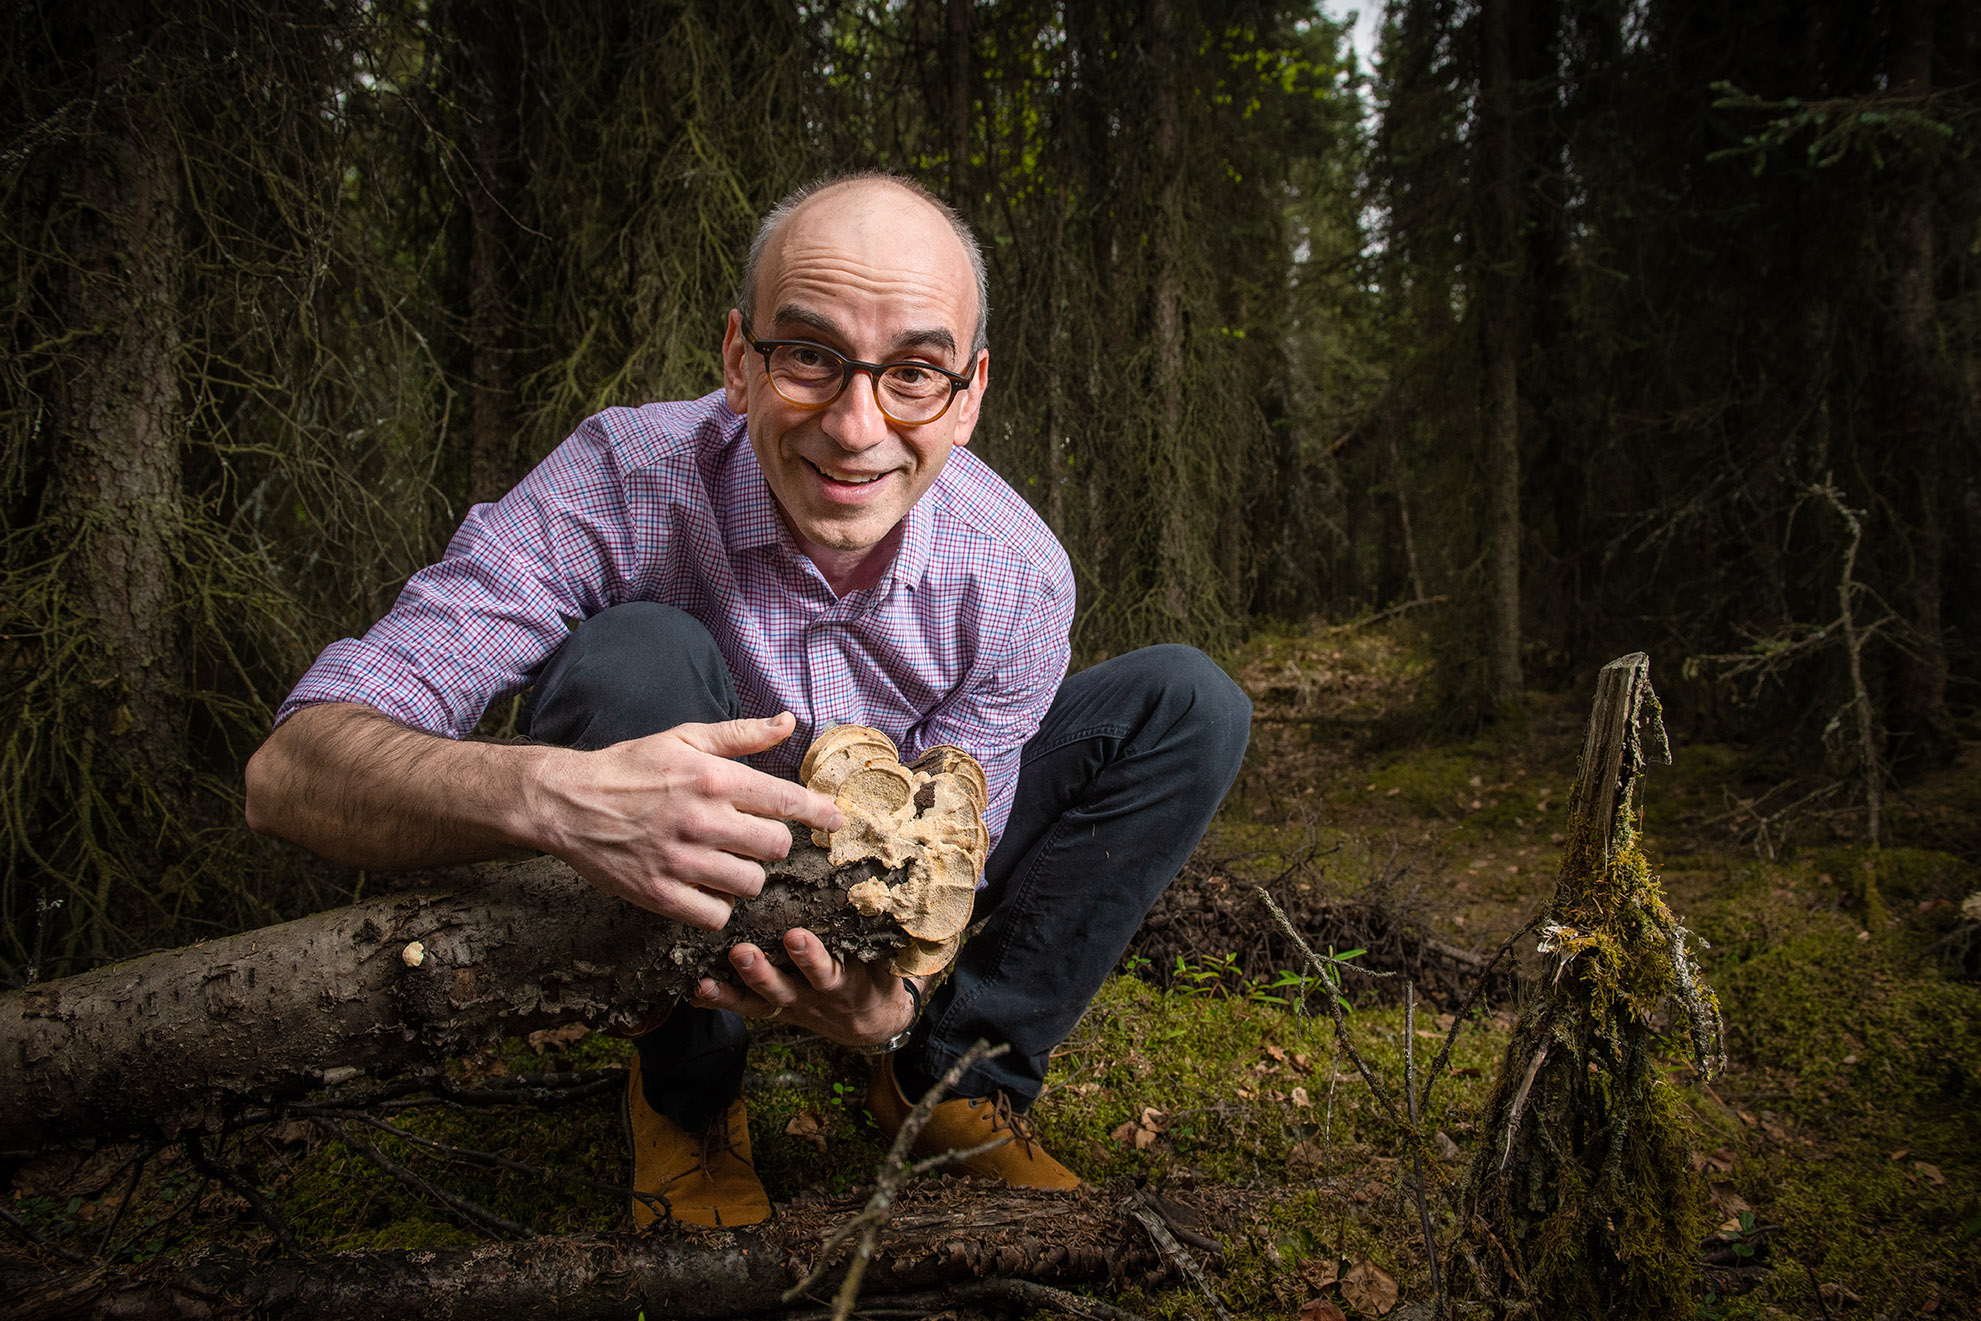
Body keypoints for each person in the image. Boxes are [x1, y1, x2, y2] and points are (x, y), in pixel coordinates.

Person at [244, 172, 1250, 1229]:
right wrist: (552, 795)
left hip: (875, 861)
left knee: (1188, 702)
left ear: (969, 393)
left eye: (913, 372)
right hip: (660, 861)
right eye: (809, 355)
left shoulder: (1016, 574)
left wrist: (895, 1001)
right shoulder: (619, 482)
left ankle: (957, 1079)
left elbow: (965, 832)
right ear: (739, 356)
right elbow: (292, 771)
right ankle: (687, 1092)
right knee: (636, 656)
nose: (856, 428)